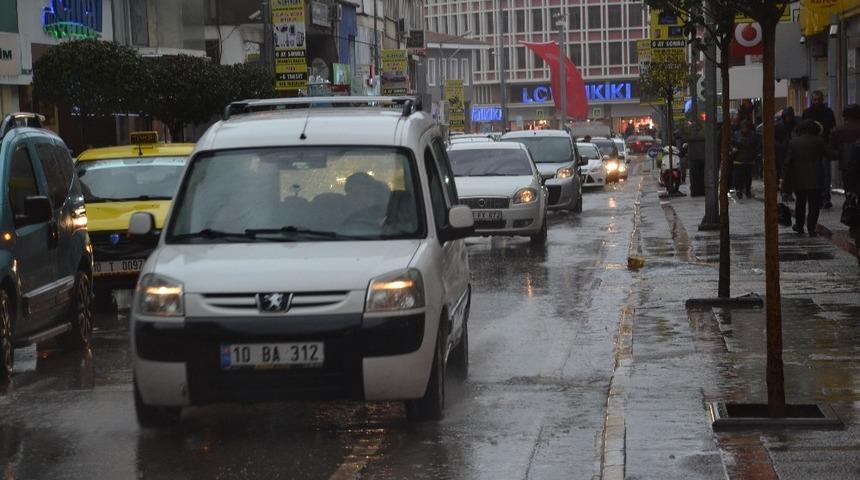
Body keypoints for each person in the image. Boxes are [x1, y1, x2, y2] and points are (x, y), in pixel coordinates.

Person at [782, 119, 828, 237]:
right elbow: (830, 154)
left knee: (800, 203)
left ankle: (799, 225)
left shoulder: (793, 142)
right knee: (814, 204)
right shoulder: (819, 141)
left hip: (798, 178)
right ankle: (811, 228)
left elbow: (788, 162)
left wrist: (784, 179)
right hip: (816, 178)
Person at [802, 90, 838, 209]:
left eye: (818, 99)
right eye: (814, 99)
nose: (816, 102)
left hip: (824, 145)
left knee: (825, 173)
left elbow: (832, 128)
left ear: (822, 99)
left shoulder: (828, 112)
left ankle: (825, 198)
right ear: (812, 100)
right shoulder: (807, 113)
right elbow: (802, 130)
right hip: (811, 147)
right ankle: (815, 197)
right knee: (812, 172)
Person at [731, 120, 760, 199]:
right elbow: (732, 143)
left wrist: (754, 154)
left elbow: (756, 146)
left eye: (745, 128)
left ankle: (747, 191)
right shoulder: (736, 134)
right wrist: (733, 150)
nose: (744, 129)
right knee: (739, 177)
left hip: (749, 160)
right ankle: (739, 190)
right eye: (743, 128)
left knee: (748, 177)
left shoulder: (753, 135)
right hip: (738, 160)